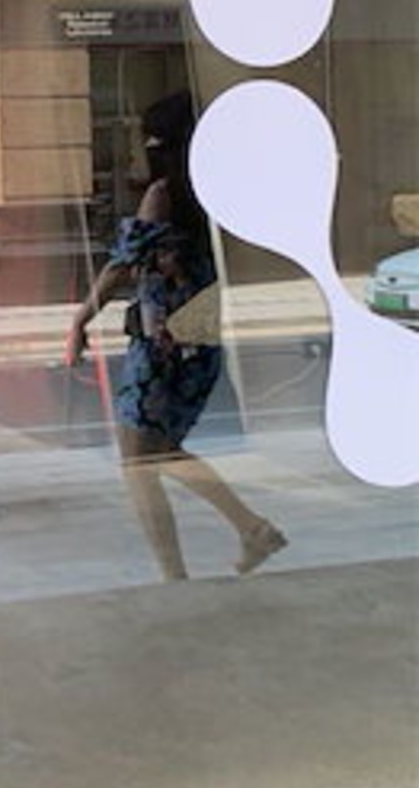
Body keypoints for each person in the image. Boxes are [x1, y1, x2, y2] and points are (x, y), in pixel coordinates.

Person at [65, 90, 287, 581]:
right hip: (196, 344)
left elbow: (122, 265)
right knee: (157, 452)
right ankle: (251, 530)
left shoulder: (162, 195)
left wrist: (81, 318)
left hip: (162, 350)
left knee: (139, 460)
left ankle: (175, 572)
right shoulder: (213, 194)